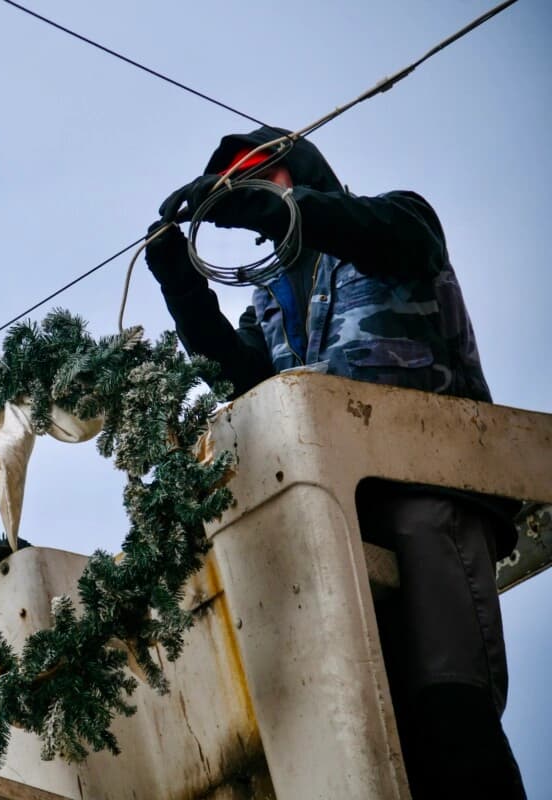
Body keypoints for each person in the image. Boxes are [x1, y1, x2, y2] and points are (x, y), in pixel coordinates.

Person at [145, 126, 525, 799]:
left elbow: (364, 229)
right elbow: (247, 381)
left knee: (450, 705)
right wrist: (185, 293)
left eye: (264, 177)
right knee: (372, 725)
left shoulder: (398, 221)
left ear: (300, 165)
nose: (259, 195)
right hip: (335, 515)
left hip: (429, 491)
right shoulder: (269, 299)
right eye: (240, 188)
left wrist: (259, 205)